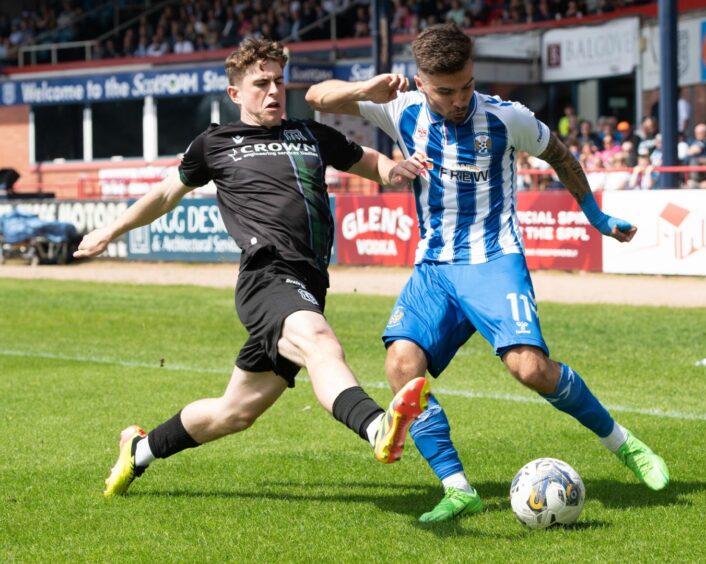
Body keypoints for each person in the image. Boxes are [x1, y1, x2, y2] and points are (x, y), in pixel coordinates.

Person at [306, 22, 669, 523]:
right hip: (435, 268)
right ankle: (457, 488)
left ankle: (625, 445)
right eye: (446, 91)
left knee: (530, 369)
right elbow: (316, 95)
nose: (460, 100)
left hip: (495, 260)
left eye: (467, 86)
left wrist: (597, 216)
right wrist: (364, 90)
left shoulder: (506, 117)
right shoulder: (400, 108)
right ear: (421, 80)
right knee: (400, 366)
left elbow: (559, 155)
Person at [74, 38, 431, 498]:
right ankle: (377, 426)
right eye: (261, 83)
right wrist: (109, 231)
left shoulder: (310, 133)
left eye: (279, 81)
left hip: (309, 282)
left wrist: (397, 169)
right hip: (266, 275)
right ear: (235, 93)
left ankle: (138, 451)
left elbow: (374, 164)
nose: (273, 91)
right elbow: (164, 194)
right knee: (321, 342)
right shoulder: (214, 143)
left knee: (234, 412)